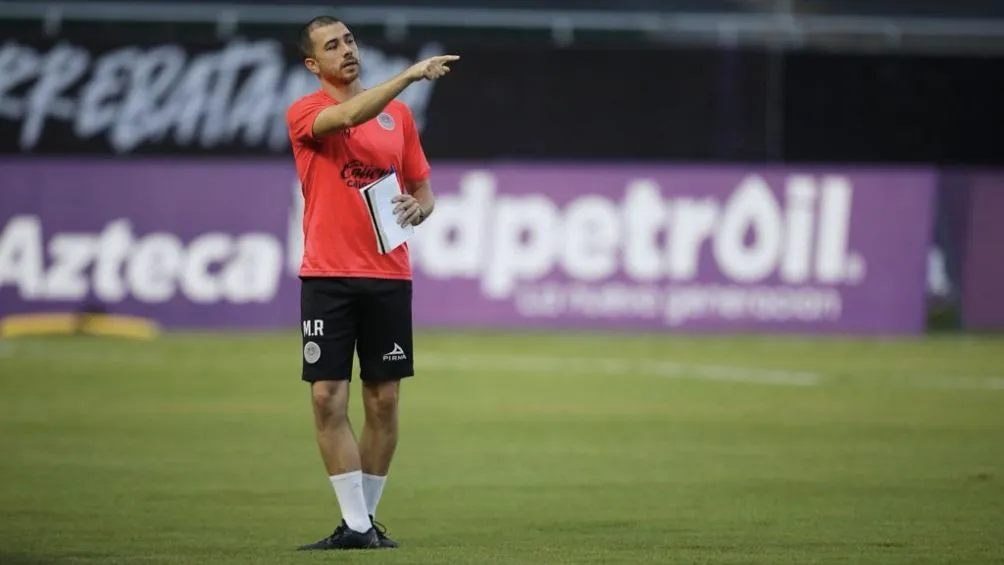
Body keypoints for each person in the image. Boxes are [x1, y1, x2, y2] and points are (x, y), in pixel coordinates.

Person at [285, 15, 459, 551]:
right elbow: (350, 114)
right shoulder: (307, 113)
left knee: (383, 402)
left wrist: (418, 208)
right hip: (327, 276)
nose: (347, 50)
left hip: (386, 274)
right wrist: (407, 76)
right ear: (314, 64)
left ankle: (361, 525)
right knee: (326, 398)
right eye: (332, 46)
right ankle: (357, 524)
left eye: (350, 40)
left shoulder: (399, 120)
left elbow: (425, 193)